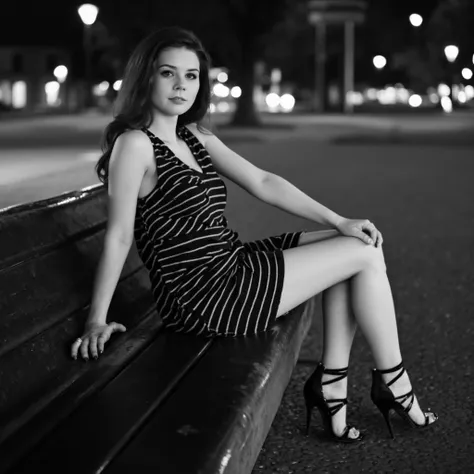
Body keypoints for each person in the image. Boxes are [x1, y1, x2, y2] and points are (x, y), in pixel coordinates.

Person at [70, 26, 437, 442]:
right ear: (145, 77)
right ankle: (393, 383)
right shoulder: (135, 144)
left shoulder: (194, 135)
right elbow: (119, 235)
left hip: (232, 265)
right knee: (364, 256)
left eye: (191, 76)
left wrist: (338, 221)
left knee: (357, 243)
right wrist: (96, 319)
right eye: (168, 73)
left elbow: (263, 182)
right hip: (203, 297)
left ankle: (333, 385)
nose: (181, 86)